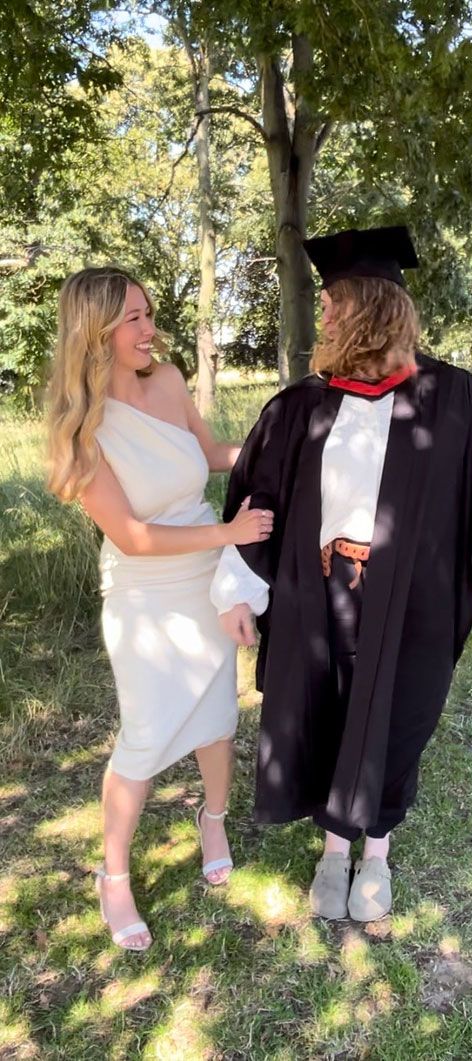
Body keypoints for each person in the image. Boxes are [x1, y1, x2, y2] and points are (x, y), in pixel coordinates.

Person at [211, 226, 472, 922]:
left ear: (369, 306)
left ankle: (375, 852)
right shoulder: (298, 406)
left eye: (332, 302)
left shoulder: (453, 400)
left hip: (411, 596)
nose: (322, 315)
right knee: (321, 711)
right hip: (318, 594)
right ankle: (331, 851)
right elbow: (258, 501)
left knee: (395, 716)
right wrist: (238, 589)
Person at [46, 266, 273, 951]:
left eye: (149, 314)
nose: (151, 330)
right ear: (96, 331)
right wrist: (230, 533)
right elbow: (133, 537)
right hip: (145, 595)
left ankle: (214, 817)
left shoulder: (170, 382)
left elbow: (211, 456)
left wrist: (287, 452)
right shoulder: (79, 429)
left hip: (208, 578)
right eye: (135, 319)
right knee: (144, 736)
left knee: (215, 717)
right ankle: (112, 875)